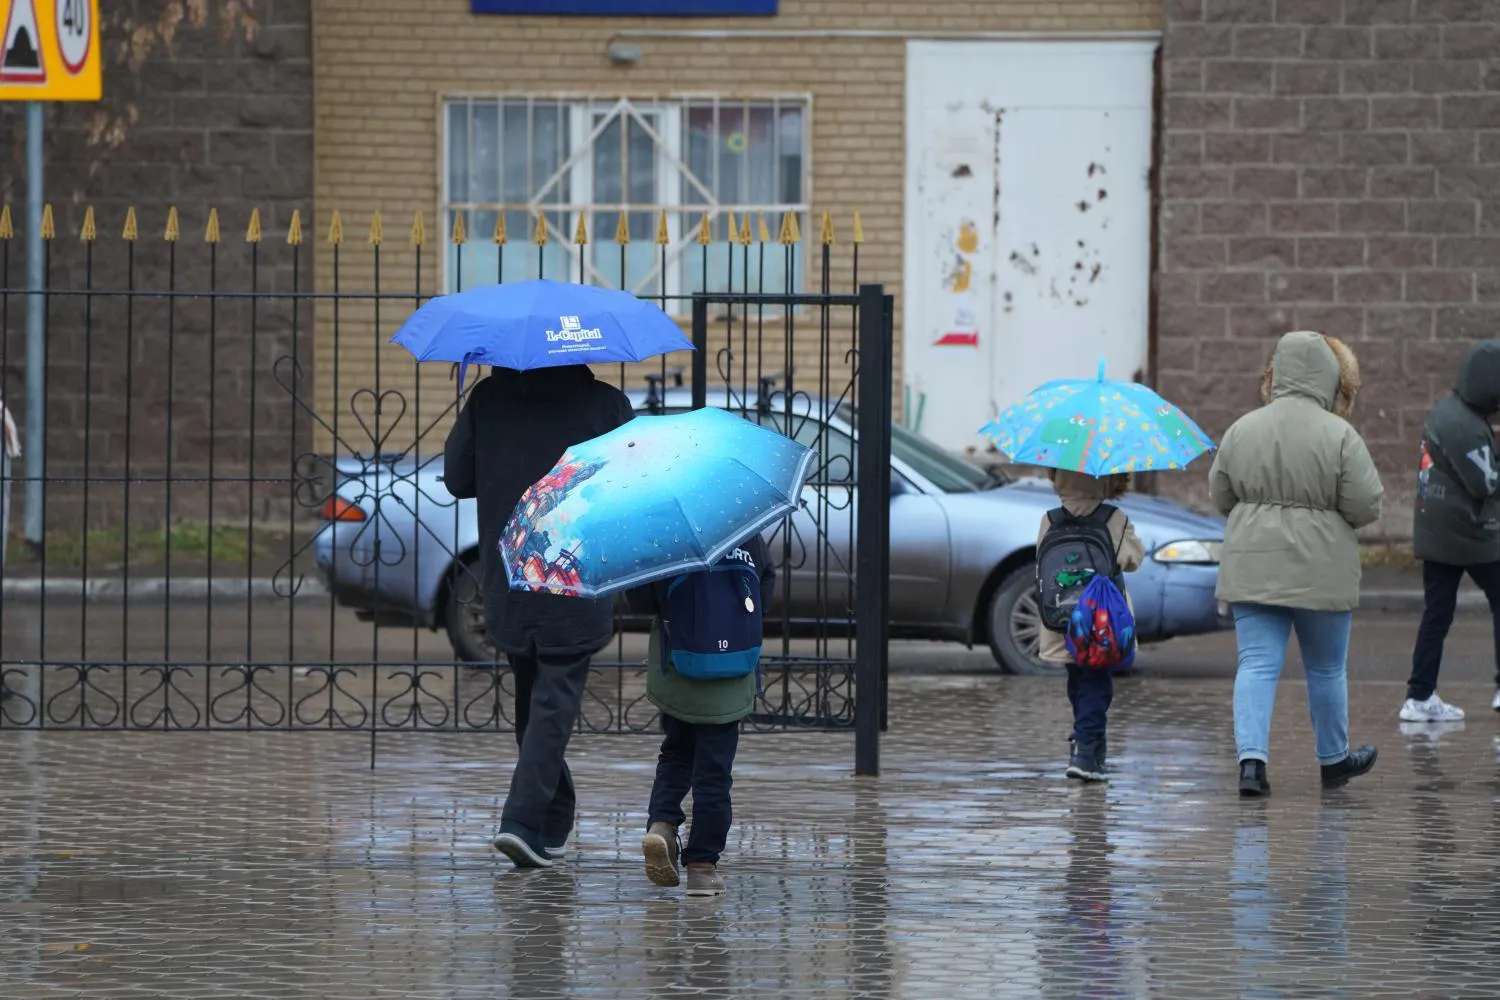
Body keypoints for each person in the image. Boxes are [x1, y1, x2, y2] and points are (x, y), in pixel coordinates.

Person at [443, 365, 636, 868]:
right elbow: (630, 481)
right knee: (551, 701)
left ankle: (552, 822)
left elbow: (458, 477)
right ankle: (522, 822)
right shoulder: (604, 404)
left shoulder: (489, 398)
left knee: (534, 696)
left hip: (509, 570)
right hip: (573, 567)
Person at [1210, 331, 1383, 797]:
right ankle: (1333, 761)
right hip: (1322, 569)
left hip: (1252, 567)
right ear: (1330, 377)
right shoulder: (1341, 435)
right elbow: (1366, 505)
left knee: (1256, 665)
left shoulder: (1243, 429)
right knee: (1326, 669)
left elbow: (1220, 494)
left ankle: (1251, 765)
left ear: (1277, 372)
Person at [629, 533, 774, 896]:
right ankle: (702, 867)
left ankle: (662, 824)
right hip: (732, 670)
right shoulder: (746, 530)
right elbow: (765, 587)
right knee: (715, 772)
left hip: (679, 665)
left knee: (677, 752)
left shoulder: (667, 533)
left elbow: (642, 598)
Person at [1405, 341, 1500, 722]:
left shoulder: (1451, 412)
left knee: (1437, 613)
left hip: (1438, 532)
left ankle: (1419, 696)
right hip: (1469, 536)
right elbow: (1486, 484)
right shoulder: (1466, 428)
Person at [1036, 470, 1144, 783]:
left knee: (1078, 680)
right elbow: (1132, 560)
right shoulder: (1114, 518)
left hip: (1062, 619)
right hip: (1102, 621)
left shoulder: (1049, 519)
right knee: (1098, 683)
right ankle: (1086, 750)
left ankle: (1086, 744)